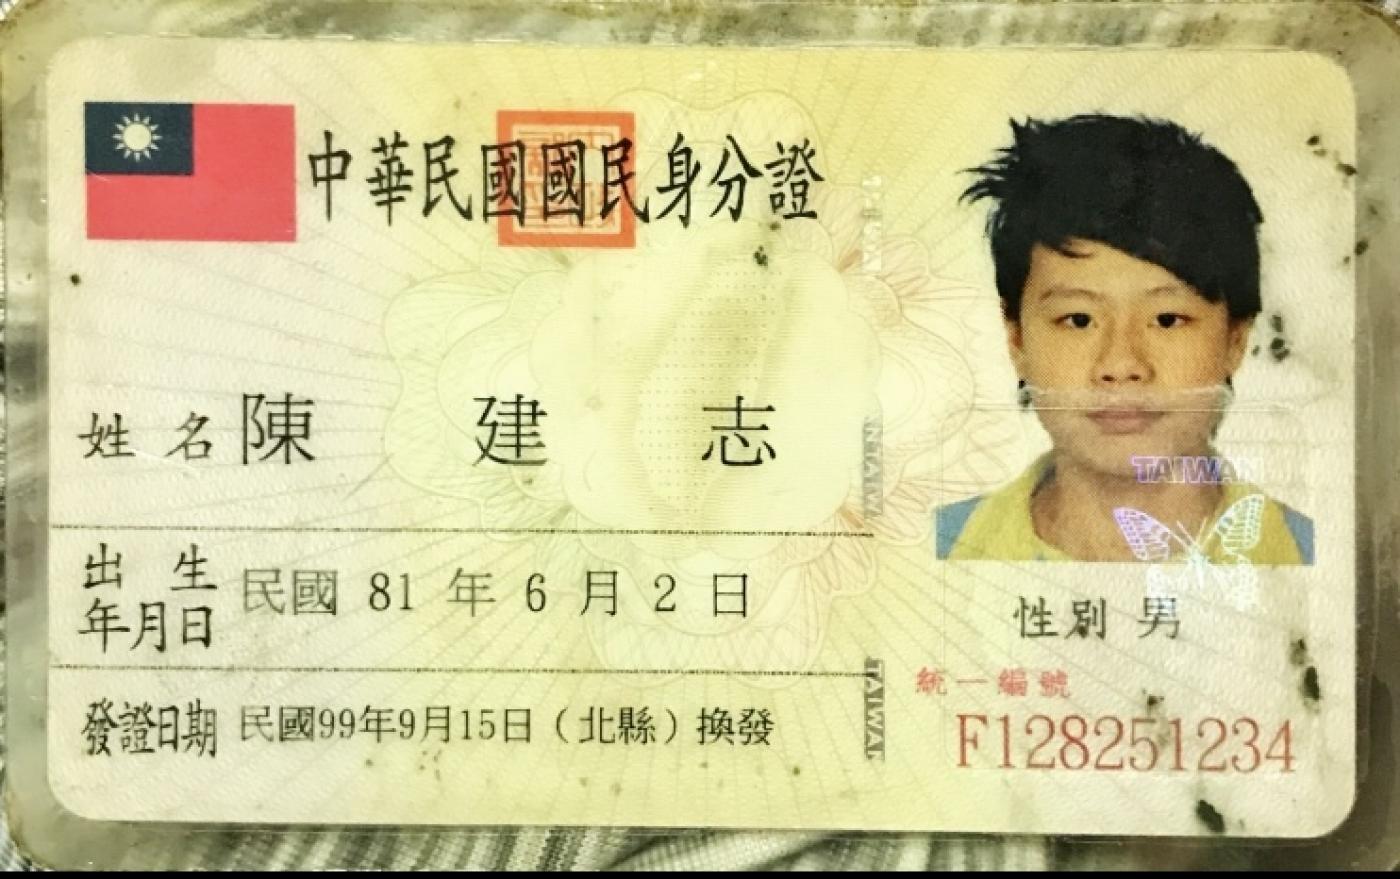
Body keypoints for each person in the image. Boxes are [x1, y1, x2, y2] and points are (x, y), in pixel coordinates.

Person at [935, 114, 1313, 564]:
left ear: (1236, 338)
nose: (1120, 365)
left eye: (1167, 320)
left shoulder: (1317, 557)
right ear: (1016, 338)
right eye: (1078, 320)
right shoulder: (929, 551)